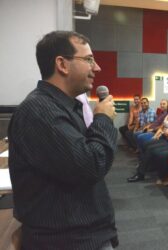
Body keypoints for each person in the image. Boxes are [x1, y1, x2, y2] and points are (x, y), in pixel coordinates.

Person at [8, 31, 118, 249]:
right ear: (62, 64)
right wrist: (103, 119)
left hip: (81, 234)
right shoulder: (40, 111)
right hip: (70, 240)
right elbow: (91, 164)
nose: (97, 68)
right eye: (88, 60)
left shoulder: (61, 106)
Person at [127, 102, 168, 182]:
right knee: (146, 144)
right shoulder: (167, 116)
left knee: (149, 148)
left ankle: (141, 173)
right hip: (163, 136)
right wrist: (156, 136)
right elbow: (162, 128)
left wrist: (164, 133)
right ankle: (146, 166)